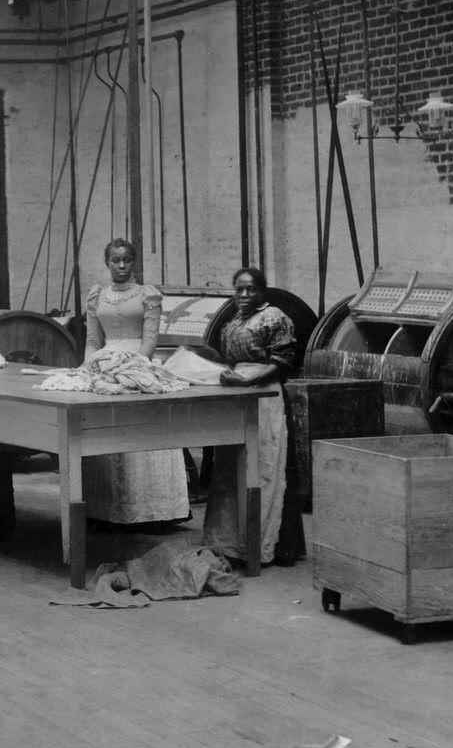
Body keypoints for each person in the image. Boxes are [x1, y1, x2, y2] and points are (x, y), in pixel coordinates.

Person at [80, 238, 189, 526]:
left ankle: (152, 512)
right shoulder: (96, 296)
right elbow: (92, 341)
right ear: (107, 263)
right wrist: (90, 366)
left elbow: (149, 340)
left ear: (133, 261)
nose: (121, 265)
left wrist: (134, 368)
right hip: (104, 363)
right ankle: (106, 511)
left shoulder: (147, 295)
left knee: (141, 429)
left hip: (138, 362)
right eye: (115, 260)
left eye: (127, 259)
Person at [196, 267, 297, 566]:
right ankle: (230, 543)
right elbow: (230, 357)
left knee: (262, 465)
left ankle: (260, 544)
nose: (243, 295)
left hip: (263, 395)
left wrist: (248, 382)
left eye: (251, 289)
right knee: (231, 468)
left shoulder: (275, 317)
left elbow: (283, 361)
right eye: (239, 289)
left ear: (262, 292)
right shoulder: (233, 320)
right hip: (236, 393)